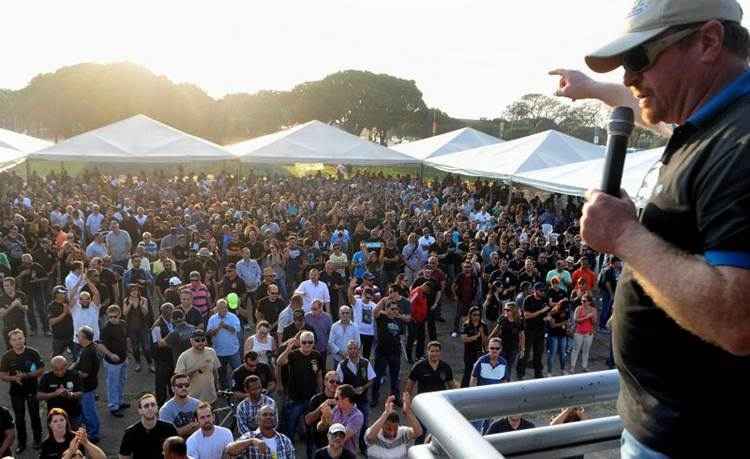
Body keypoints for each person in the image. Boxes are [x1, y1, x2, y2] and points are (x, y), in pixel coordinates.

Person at [567, 1, 750, 455]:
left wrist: (625, 236)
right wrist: (595, 89)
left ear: (708, 41)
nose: (630, 78)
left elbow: (739, 320)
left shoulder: (741, 142)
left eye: (639, 59)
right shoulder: (711, 123)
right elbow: (641, 100)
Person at [0, 328, 44, 453]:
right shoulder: (7, 356)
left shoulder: (33, 353)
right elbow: (2, 375)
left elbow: (41, 369)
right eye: (14, 340)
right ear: (10, 342)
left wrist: (26, 376)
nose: (18, 342)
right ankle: (22, 443)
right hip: (16, 392)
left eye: (20, 338)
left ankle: (37, 440)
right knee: (19, 419)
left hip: (32, 389)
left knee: (35, 416)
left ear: (24, 338)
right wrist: (14, 378)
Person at [277, 330, 322, 441]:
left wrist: (320, 392)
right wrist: (288, 349)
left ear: (314, 343)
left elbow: (319, 374)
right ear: (300, 342)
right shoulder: (293, 354)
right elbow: (279, 362)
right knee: (291, 424)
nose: (307, 344)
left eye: (310, 342)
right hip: (294, 397)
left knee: (309, 423)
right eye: (304, 342)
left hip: (311, 396)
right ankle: (288, 444)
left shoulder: (317, 355)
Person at [335, 339, 375, 453]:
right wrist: (350, 390)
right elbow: (338, 383)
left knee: (364, 424)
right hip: (347, 402)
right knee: (345, 425)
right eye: (350, 349)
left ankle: (363, 447)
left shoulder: (365, 362)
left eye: (355, 348)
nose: (352, 351)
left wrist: (363, 387)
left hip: (363, 400)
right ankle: (344, 448)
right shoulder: (341, 365)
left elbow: (371, 379)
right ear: (347, 351)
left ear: (359, 349)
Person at [371, 290, 406, 405]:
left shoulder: (399, 320)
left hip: (395, 352)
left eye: (396, 309)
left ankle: (395, 397)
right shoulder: (381, 317)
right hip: (382, 352)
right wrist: (384, 299)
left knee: (395, 378)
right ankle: (374, 397)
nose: (394, 311)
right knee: (377, 377)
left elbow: (400, 335)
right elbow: (375, 311)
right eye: (392, 309)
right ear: (386, 310)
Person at [119, 393, 178, 459]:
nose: (150, 408)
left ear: (157, 407)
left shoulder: (169, 429)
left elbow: (178, 454)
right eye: (146, 406)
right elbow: (123, 456)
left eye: (153, 405)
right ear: (140, 410)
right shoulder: (130, 433)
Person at [225, 404, 295, 459]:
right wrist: (251, 441)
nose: (268, 417)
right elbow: (229, 450)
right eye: (265, 415)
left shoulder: (285, 440)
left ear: (275, 419)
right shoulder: (249, 436)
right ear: (258, 419)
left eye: (271, 415)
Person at [364, 394, 422, 459]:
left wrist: (408, 412)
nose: (392, 433)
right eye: (388, 428)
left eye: (395, 429)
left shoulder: (402, 432)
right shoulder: (374, 433)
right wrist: (386, 413)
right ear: (382, 425)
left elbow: (418, 432)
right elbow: (370, 437)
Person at [174, 329, 221, 404]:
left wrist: (217, 388)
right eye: (197, 340)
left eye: (203, 340)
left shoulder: (211, 352)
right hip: (193, 400)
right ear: (191, 341)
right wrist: (195, 370)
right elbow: (178, 379)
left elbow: (215, 372)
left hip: (211, 398)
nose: (201, 343)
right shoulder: (184, 356)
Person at [98, 304, 129, 417]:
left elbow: (125, 339)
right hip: (112, 362)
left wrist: (127, 354)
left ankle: (120, 402)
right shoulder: (106, 328)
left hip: (123, 359)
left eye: (115, 316)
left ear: (120, 315)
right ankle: (113, 406)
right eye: (110, 317)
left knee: (122, 381)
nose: (112, 319)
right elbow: (100, 345)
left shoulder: (123, 324)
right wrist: (110, 355)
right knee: (112, 384)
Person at [316, 384, 363, 456]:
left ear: (346, 400)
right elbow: (319, 428)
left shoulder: (357, 416)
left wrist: (329, 418)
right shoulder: (337, 409)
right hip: (331, 452)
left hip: (347, 455)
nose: (334, 400)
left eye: (337, 398)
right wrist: (323, 420)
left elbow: (341, 438)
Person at [71, 326, 99, 444]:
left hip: (86, 387)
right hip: (87, 386)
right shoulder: (87, 348)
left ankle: (93, 434)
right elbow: (77, 362)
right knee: (85, 410)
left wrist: (73, 374)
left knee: (89, 411)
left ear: (84, 338)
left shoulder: (88, 352)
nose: (77, 337)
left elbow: (85, 373)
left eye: (78, 336)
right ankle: (90, 431)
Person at [37, 356, 82, 428]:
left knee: (74, 436)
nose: (60, 372)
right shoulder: (46, 377)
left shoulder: (74, 375)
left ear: (66, 366)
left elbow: (80, 393)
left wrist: (69, 394)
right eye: (56, 370)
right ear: (52, 368)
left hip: (73, 414)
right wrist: (54, 394)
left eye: (62, 369)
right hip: (55, 416)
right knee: (56, 437)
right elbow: (38, 395)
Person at [206, 298, 241, 389]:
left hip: (233, 350)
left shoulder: (233, 317)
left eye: (225, 307)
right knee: (222, 374)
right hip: (219, 352)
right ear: (217, 308)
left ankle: (238, 387)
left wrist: (225, 326)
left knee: (238, 371)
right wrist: (217, 328)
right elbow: (209, 334)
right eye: (221, 308)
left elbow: (236, 330)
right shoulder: (212, 319)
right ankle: (225, 391)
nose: (223, 310)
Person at [304, 371, 339, 458]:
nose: (335, 384)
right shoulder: (316, 399)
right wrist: (323, 406)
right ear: (325, 382)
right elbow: (308, 421)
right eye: (331, 381)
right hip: (316, 442)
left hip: (334, 443)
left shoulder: (341, 400)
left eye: (337, 382)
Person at [517, 282, 548, 379]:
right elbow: (526, 315)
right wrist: (541, 312)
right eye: (541, 290)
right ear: (535, 290)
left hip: (541, 330)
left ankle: (538, 374)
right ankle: (520, 373)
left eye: (544, 290)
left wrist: (548, 316)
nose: (543, 292)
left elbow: (548, 311)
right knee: (525, 353)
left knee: (538, 353)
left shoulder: (544, 299)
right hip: (529, 330)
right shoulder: (528, 299)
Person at [489, 302, 524, 382]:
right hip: (501, 347)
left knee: (508, 366)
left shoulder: (519, 321)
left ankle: (506, 382)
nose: (506, 311)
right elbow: (496, 329)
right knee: (499, 364)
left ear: (513, 311)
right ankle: (497, 381)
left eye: (508, 310)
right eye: (505, 309)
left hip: (513, 348)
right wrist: (489, 338)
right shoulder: (502, 318)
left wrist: (522, 348)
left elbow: (522, 335)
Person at [123, 284, 153, 373]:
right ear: (129, 292)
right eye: (132, 290)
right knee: (135, 347)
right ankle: (138, 363)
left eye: (136, 290)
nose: (134, 292)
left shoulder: (144, 300)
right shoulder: (126, 300)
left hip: (143, 327)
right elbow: (124, 313)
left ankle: (150, 363)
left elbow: (146, 312)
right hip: (132, 328)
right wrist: (130, 304)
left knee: (146, 347)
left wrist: (141, 305)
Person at [159, 373, 201, 439]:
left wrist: (180, 430)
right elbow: (169, 434)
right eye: (180, 386)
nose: (184, 388)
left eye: (186, 385)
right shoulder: (165, 409)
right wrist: (191, 425)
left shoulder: (198, 404)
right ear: (172, 389)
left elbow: (203, 427)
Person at [151, 302, 176, 406]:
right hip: (162, 360)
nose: (171, 315)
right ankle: (160, 408)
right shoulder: (156, 326)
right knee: (161, 386)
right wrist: (172, 338)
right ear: (163, 313)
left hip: (172, 358)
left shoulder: (172, 322)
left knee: (173, 384)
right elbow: (157, 345)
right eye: (169, 313)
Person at [460, 306, 488, 388]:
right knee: (468, 372)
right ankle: (463, 389)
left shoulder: (483, 325)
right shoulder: (466, 325)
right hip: (468, 352)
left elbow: (485, 341)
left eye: (478, 315)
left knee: (479, 371)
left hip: (479, 352)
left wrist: (482, 333)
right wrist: (475, 337)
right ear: (470, 315)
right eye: (474, 315)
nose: (476, 317)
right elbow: (464, 339)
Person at [569, 294, 597, 373]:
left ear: (589, 302)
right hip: (579, 332)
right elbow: (576, 320)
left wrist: (592, 318)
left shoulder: (593, 310)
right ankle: (572, 367)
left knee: (586, 350)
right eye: (581, 300)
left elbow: (594, 322)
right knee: (576, 349)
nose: (582, 302)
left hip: (588, 333)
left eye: (584, 301)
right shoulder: (578, 308)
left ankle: (584, 366)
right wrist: (587, 317)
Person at [327, 305, 359, 370]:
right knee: (337, 378)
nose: (345, 315)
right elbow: (330, 342)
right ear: (339, 314)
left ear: (350, 314)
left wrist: (349, 353)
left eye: (347, 313)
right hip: (337, 359)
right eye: (343, 313)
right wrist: (341, 353)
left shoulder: (355, 326)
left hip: (351, 358)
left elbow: (357, 342)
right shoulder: (334, 326)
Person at [0, 277, 29, 349]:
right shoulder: (1, 298)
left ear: (13, 286)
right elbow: (2, 315)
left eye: (7, 285)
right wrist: (12, 306)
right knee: (10, 349)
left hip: (21, 325)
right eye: (4, 286)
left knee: (23, 347)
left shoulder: (21, 295)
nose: (5, 288)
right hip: (8, 326)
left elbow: (26, 309)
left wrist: (20, 305)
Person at [47, 286, 75, 358]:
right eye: (61, 293)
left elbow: (76, 318)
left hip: (71, 336)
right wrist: (64, 314)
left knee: (77, 357)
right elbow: (51, 322)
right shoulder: (51, 306)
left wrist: (69, 312)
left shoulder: (68, 304)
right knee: (56, 358)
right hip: (59, 337)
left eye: (65, 293)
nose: (64, 294)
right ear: (55, 294)